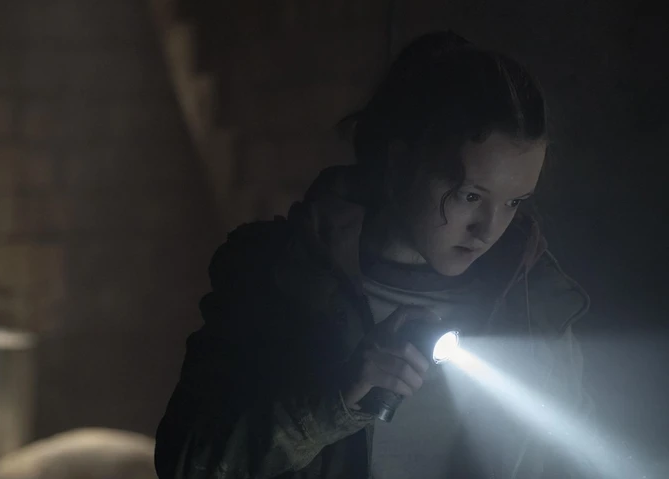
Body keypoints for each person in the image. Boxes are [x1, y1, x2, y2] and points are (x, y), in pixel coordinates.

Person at [154, 31, 593, 479]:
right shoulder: (275, 275)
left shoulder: (535, 304)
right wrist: (332, 403)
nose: (489, 229)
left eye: (514, 202)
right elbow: (188, 464)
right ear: (400, 163)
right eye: (470, 196)